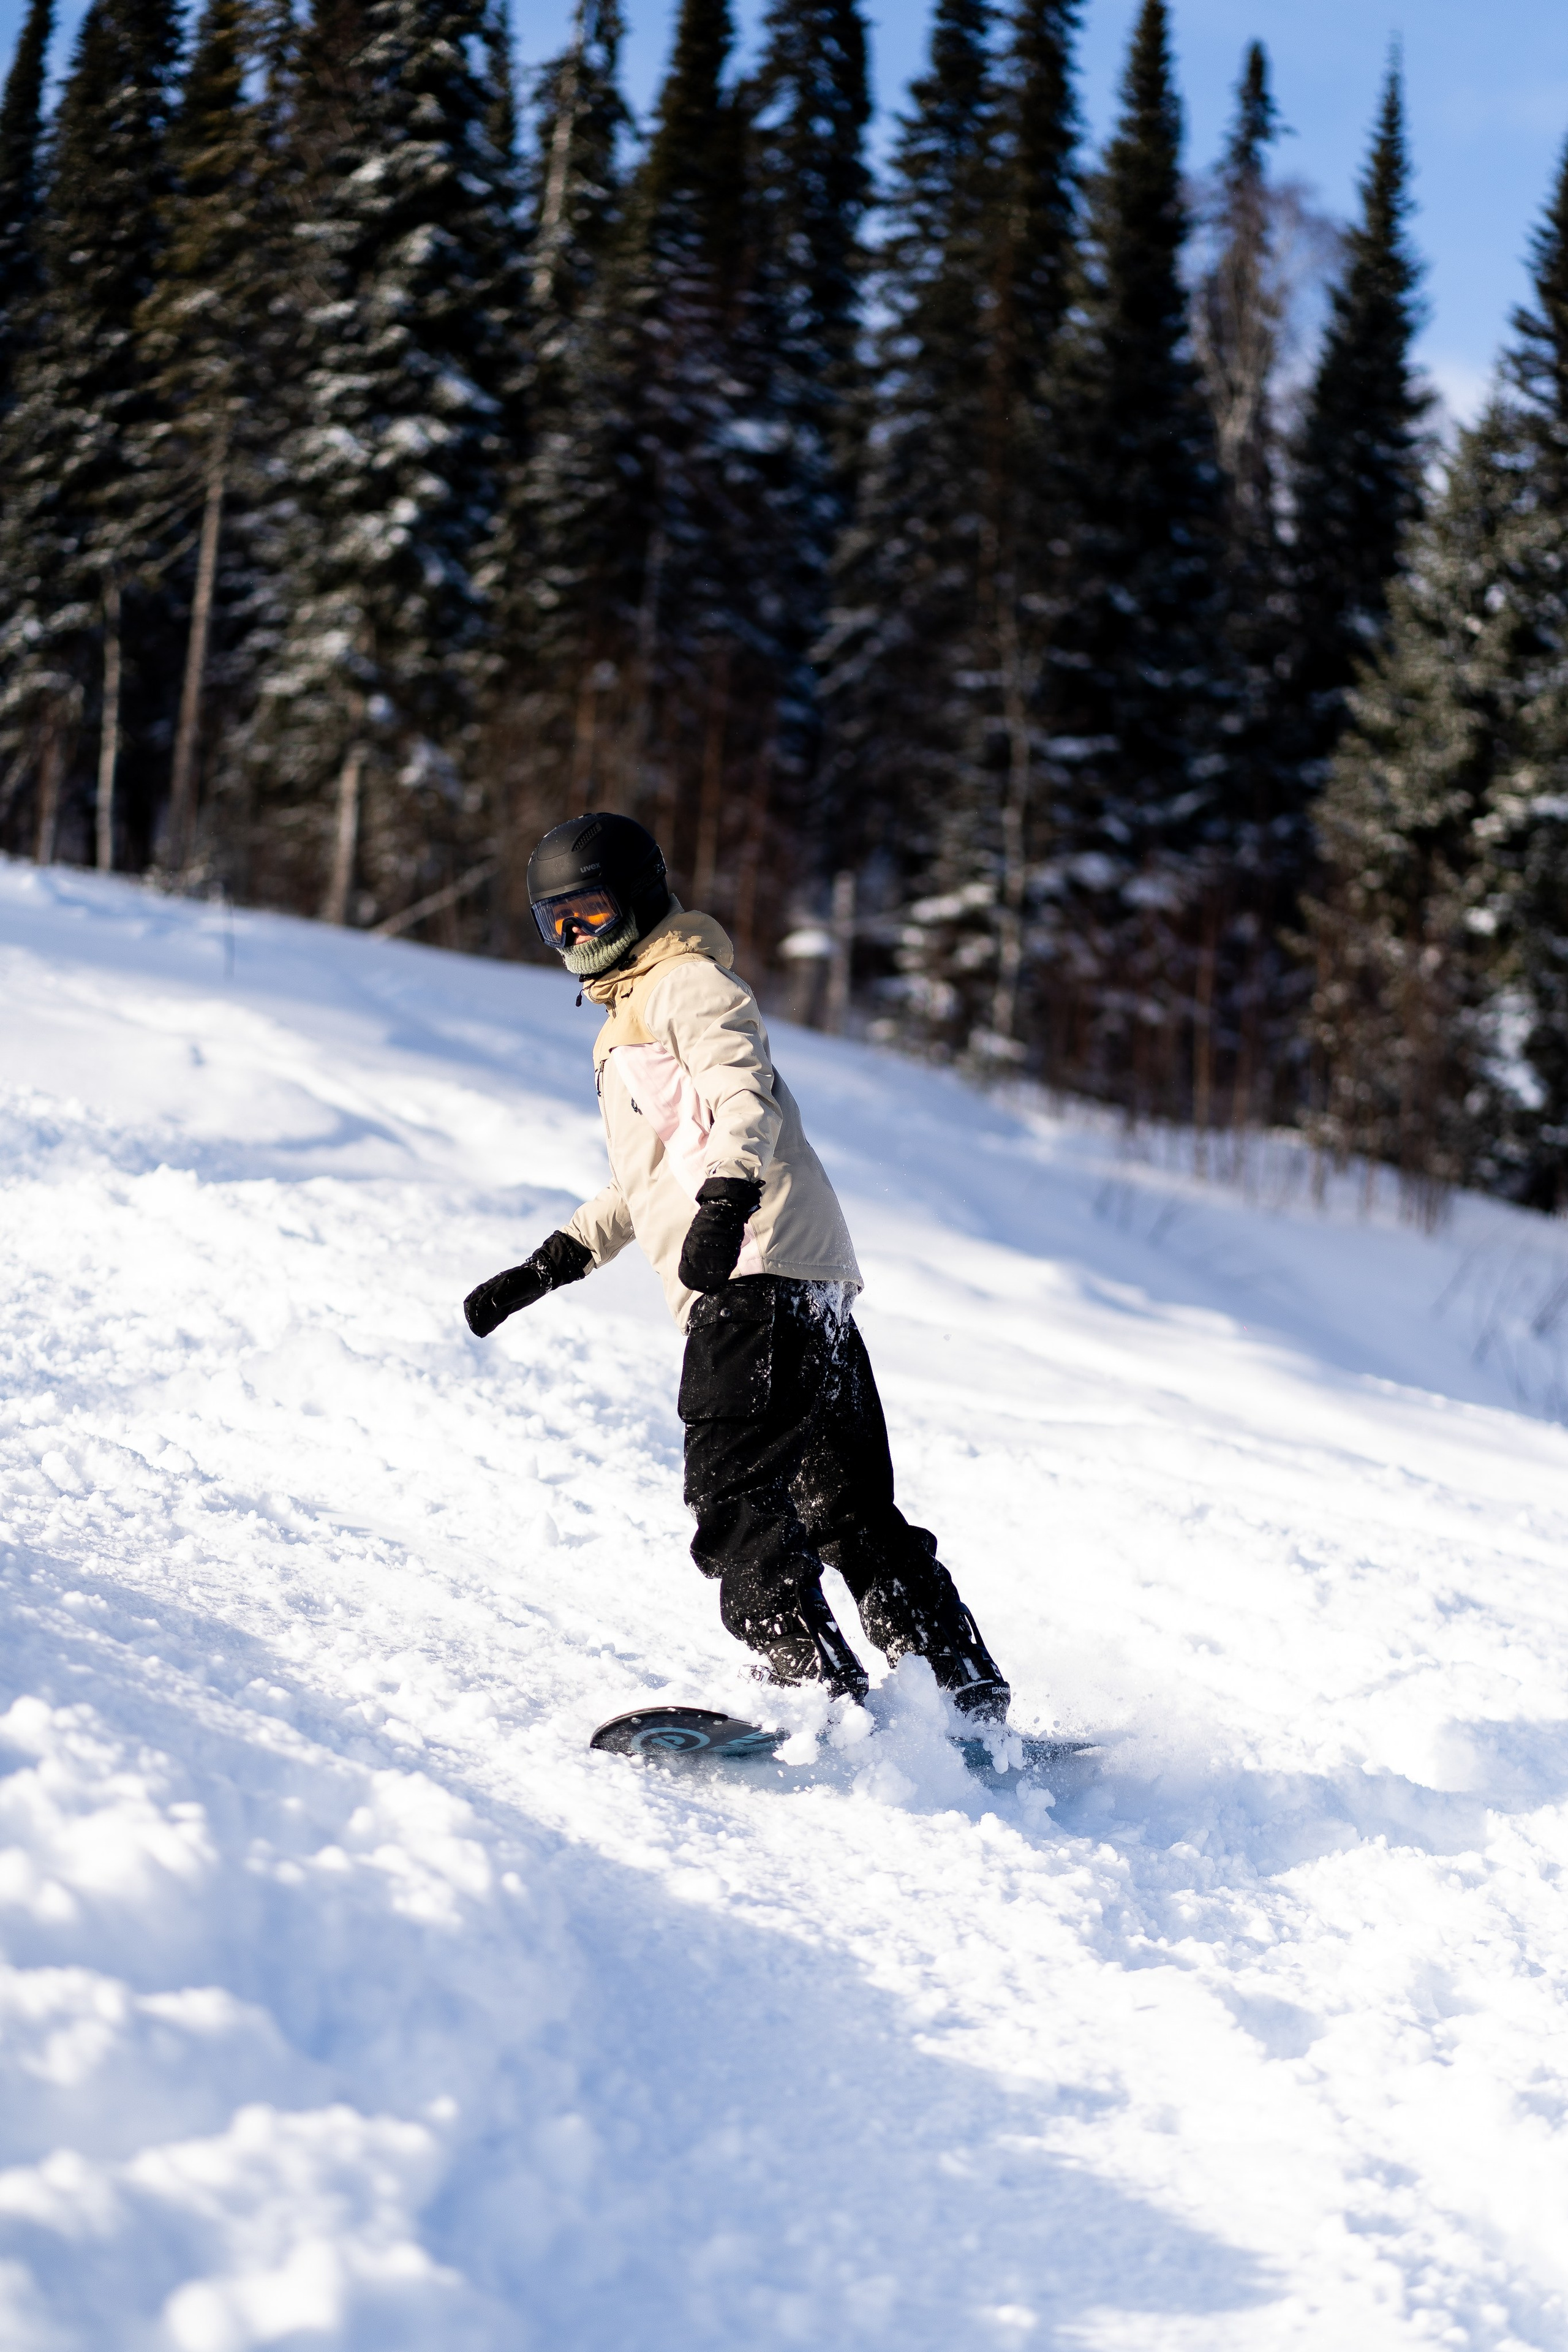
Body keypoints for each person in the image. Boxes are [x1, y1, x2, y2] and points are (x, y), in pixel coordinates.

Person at [462, 811, 1009, 1719]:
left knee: (734, 1492)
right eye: (553, 922)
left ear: (636, 899)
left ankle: (811, 1692)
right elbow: (646, 1177)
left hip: (751, 1268)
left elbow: (735, 1096)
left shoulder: (685, 985)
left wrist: (727, 1200)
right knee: (851, 1513)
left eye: (588, 915)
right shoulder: (632, 1012)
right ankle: (963, 1695)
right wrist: (551, 1264)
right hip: (803, 1274)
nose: (572, 938)